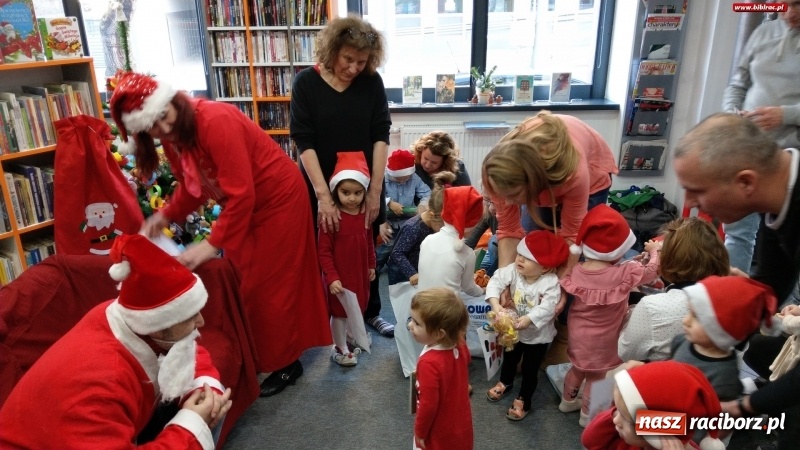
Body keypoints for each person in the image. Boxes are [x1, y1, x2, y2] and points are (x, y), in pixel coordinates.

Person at [109, 71, 330, 398]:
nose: (164, 129)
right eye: (153, 126)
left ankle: (286, 361)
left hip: (277, 202)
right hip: (243, 207)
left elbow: (242, 194)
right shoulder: (176, 136)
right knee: (243, 281)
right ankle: (266, 349)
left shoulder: (214, 120)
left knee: (270, 285)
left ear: (173, 102)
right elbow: (192, 187)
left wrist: (211, 244)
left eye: (164, 118)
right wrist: (166, 214)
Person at [0, 234, 233, 448]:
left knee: (211, 399)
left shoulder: (126, 317)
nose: (201, 322)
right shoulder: (101, 387)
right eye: (190, 316)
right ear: (159, 326)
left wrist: (205, 388)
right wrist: (191, 426)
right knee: (200, 418)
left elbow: (185, 347)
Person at [674, 112, 800, 449]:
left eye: (695, 191)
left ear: (745, 182)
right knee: (760, 352)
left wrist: (745, 406)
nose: (689, 204)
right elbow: (770, 283)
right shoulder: (778, 197)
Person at [289, 15, 394, 338]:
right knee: (328, 247)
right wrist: (322, 195)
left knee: (365, 245)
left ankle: (370, 311)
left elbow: (381, 134)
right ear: (333, 50)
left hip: (365, 185)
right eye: (348, 59)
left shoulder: (371, 82)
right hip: (323, 184)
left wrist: (376, 190)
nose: (354, 68)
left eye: (361, 62)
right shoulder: (306, 83)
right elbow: (303, 140)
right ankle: (332, 317)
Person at [559, 204, 661, 427]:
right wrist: (655, 252)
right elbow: (652, 273)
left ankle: (567, 401)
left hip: (578, 333)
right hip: (605, 340)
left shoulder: (576, 270)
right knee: (597, 377)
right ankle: (587, 416)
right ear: (617, 249)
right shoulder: (625, 272)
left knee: (577, 368)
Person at [482, 111, 618, 270]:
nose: (507, 202)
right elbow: (509, 229)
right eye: (500, 196)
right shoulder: (498, 170)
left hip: (588, 173)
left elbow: (572, 238)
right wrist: (503, 280)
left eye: (513, 196)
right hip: (540, 173)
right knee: (532, 249)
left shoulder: (574, 175)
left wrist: (558, 289)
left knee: (583, 259)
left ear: (533, 184)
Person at [720, 2, 800, 275]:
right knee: (737, 231)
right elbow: (738, 83)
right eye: (785, 4)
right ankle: (731, 296)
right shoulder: (763, 32)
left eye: (798, 5)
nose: (790, 12)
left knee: (781, 241)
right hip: (748, 147)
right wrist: (732, 114)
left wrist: (785, 115)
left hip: (789, 160)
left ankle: (783, 313)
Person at [618, 217, 731, 362]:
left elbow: (624, 352)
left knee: (603, 382)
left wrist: (631, 306)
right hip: (708, 378)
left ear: (671, 258)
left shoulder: (651, 307)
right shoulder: (730, 299)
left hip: (661, 378)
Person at [484, 230, 570, 420]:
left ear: (545, 268)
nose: (519, 260)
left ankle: (524, 398)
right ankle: (505, 383)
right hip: (513, 332)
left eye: (527, 258)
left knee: (530, 370)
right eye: (520, 255)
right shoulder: (514, 271)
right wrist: (496, 304)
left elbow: (549, 306)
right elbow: (496, 280)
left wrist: (529, 319)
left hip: (538, 337)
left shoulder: (550, 282)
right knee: (510, 359)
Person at [672, 276, 777, 401]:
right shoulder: (681, 340)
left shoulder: (724, 376)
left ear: (722, 331)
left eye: (697, 317)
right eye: (689, 312)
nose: (685, 321)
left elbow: (713, 411)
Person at [582, 360, 725, 450]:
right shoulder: (630, 438)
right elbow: (589, 441)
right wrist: (617, 411)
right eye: (617, 411)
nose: (615, 420)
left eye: (626, 419)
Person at [318, 152, 376, 366]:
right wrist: (331, 277)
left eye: (358, 193)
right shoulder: (331, 218)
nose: (352, 198)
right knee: (340, 313)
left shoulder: (364, 215)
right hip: (339, 277)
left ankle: (352, 338)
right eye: (346, 192)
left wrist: (371, 264)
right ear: (335, 191)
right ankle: (339, 346)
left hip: (359, 273)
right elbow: (323, 251)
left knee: (356, 307)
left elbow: (369, 241)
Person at [408, 287, 472, 450]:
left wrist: (420, 432)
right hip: (459, 424)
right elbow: (466, 361)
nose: (410, 325)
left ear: (439, 334)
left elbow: (428, 405)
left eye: (416, 323)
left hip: (438, 430)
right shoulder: (460, 344)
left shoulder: (429, 363)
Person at [417, 185, 485, 297]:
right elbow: (469, 288)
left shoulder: (427, 240)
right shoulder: (467, 253)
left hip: (420, 306)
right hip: (447, 311)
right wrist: (483, 291)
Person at [387, 171, 454, 286]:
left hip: (419, 270)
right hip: (403, 275)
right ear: (432, 215)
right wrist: (411, 273)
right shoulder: (413, 228)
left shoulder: (433, 224)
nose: (444, 229)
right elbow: (397, 254)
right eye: (443, 226)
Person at [377, 149, 431, 267]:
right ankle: (375, 268)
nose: (403, 181)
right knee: (388, 246)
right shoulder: (382, 178)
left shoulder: (414, 178)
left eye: (406, 178)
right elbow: (375, 195)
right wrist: (389, 202)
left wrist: (423, 205)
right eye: (398, 179)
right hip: (389, 222)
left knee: (407, 248)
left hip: (408, 223)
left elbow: (427, 193)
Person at [465, 188, 499, 276]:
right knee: (472, 266)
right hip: (493, 255)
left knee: (494, 241)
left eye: (496, 201)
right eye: (487, 200)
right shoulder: (488, 213)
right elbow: (469, 241)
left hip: (510, 256)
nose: (491, 208)